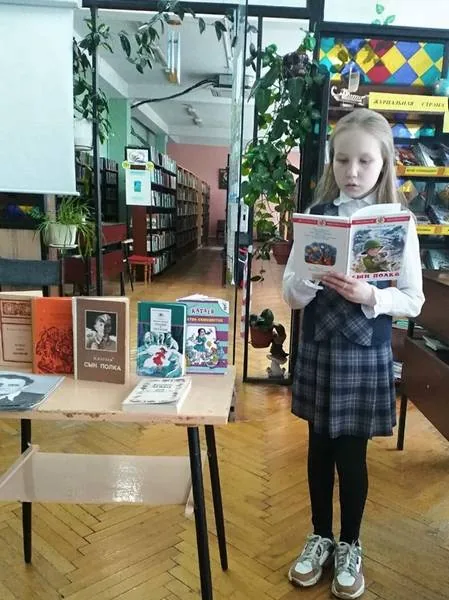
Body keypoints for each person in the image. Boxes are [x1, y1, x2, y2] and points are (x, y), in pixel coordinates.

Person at [283, 108, 424, 600]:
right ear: (332, 161)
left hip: (364, 353)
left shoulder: (400, 223)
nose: (353, 171)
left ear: (384, 164)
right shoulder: (317, 214)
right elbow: (290, 293)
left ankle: (350, 543)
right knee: (318, 449)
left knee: (352, 455)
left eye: (365, 161)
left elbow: (413, 300)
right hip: (320, 347)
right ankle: (320, 536)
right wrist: (306, 281)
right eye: (342, 160)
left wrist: (371, 296)